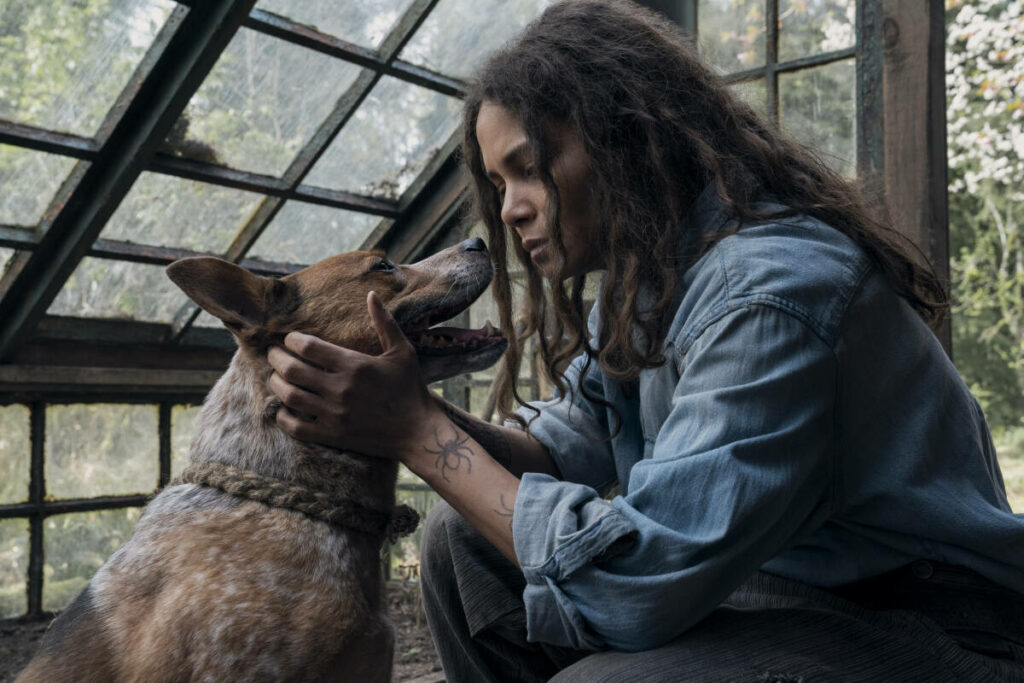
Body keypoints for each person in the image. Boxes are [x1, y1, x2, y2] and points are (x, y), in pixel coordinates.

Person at [266, 1, 1024, 680]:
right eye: (498, 186)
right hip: (777, 586)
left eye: (529, 170)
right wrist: (395, 400)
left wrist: (414, 429)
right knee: (461, 540)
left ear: (625, 139)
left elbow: (640, 583)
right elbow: (564, 448)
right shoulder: (650, 282)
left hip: (934, 626)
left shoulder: (772, 294)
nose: (508, 212)